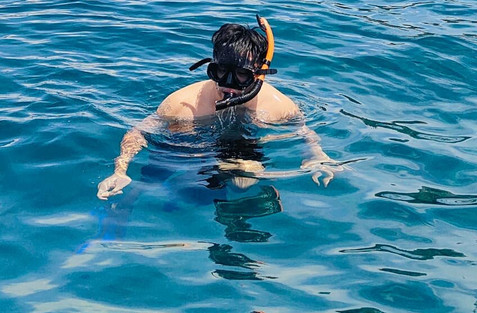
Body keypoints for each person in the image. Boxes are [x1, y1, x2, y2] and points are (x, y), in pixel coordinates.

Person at [96, 16, 338, 199]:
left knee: (245, 179)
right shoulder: (182, 104)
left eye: (242, 76)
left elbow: (303, 130)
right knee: (154, 185)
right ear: (212, 67)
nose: (230, 86)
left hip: (242, 145)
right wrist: (120, 171)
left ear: (259, 75)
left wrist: (315, 155)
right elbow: (137, 132)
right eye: (221, 72)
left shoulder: (278, 106)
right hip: (187, 145)